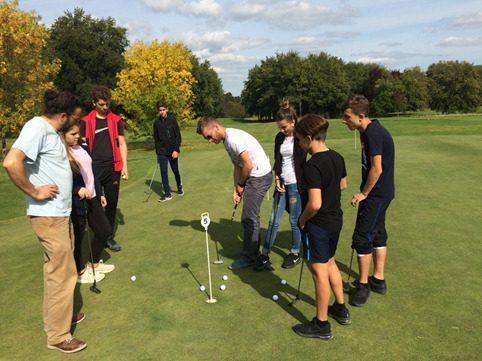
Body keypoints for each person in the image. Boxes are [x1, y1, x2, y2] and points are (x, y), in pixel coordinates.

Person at [2, 90, 87, 353]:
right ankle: (58, 335)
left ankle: (61, 315)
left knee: (60, 269)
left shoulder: (51, 133)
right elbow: (11, 162)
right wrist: (35, 191)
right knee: (62, 273)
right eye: (73, 118)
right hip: (48, 214)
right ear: (62, 116)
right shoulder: (37, 127)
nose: (74, 123)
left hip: (59, 214)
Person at [292, 114, 351, 340]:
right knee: (330, 261)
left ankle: (321, 324)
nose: (299, 145)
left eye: (299, 140)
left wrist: (303, 220)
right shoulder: (337, 157)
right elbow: (342, 185)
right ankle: (340, 307)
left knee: (319, 272)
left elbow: (314, 204)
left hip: (318, 225)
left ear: (308, 138)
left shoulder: (312, 166)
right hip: (335, 220)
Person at [197, 117, 272, 269]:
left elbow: (248, 165)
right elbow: (237, 166)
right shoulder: (227, 140)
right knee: (249, 217)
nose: (210, 141)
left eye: (209, 136)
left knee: (249, 218)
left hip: (259, 177)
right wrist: (236, 190)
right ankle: (251, 251)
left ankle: (250, 257)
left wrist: (241, 184)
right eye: (207, 139)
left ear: (216, 127)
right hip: (254, 177)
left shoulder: (233, 140)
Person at [341, 95, 395, 307]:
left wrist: (363, 193)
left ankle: (363, 285)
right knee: (378, 235)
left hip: (377, 194)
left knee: (362, 237)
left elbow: (377, 168)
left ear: (361, 116)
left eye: (347, 117)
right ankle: (378, 280)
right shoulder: (371, 130)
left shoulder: (372, 133)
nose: (344, 121)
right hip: (383, 193)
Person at [254, 102, 306, 271]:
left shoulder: (302, 137)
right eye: (279, 127)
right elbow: (278, 159)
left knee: (294, 220)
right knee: (273, 221)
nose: (282, 131)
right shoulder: (279, 138)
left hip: (296, 184)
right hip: (282, 183)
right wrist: (277, 177)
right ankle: (264, 254)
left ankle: (295, 252)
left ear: (293, 121)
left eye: (284, 127)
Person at [62, 121, 115, 284]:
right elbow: (60, 180)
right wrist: (76, 189)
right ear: (62, 135)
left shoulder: (82, 147)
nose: (78, 136)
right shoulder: (61, 154)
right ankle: (79, 271)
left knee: (104, 230)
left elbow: (93, 172)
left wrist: (100, 194)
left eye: (78, 133)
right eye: (73, 134)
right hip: (77, 201)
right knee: (78, 238)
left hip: (92, 196)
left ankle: (94, 263)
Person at [80, 86, 128, 252]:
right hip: (93, 170)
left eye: (107, 104)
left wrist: (125, 166)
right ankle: (99, 234)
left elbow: (121, 144)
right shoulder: (85, 122)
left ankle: (107, 238)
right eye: (101, 104)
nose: (105, 107)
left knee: (112, 204)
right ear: (94, 103)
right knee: (95, 205)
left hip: (113, 167)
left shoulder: (116, 120)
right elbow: (81, 148)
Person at [153, 99, 183, 202]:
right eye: (160, 110)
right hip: (162, 152)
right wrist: (157, 153)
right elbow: (156, 139)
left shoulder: (172, 120)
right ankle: (167, 194)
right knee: (163, 172)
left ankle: (179, 187)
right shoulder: (156, 123)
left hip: (172, 151)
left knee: (175, 171)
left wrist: (176, 150)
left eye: (163, 109)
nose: (162, 112)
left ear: (167, 109)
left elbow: (178, 136)